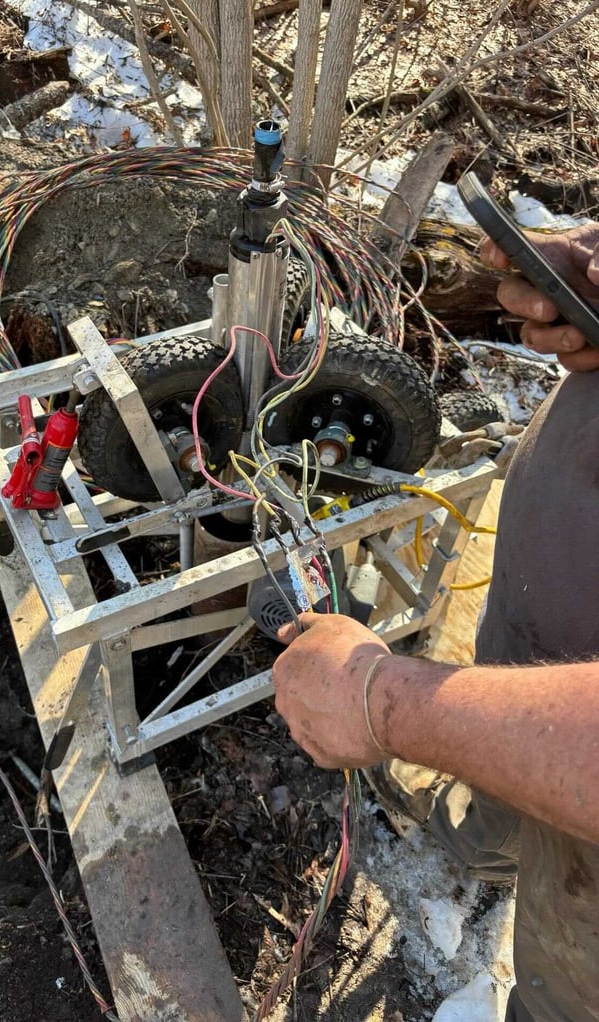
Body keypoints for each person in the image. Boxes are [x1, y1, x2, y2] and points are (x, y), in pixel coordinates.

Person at [273, 224, 599, 1022]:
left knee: (563, 994)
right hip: (527, 664)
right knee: (491, 800)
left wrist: (385, 701)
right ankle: (484, 844)